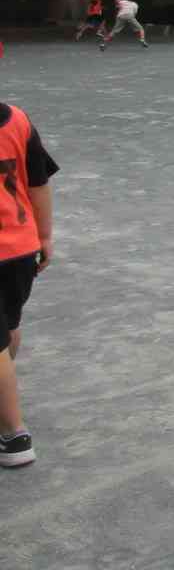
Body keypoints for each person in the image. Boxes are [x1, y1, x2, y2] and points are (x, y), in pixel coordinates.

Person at [0, 99, 59, 467]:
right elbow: (38, 183)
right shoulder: (17, 119)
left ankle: (13, 434)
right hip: (20, 248)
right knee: (9, 326)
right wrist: (46, 235)